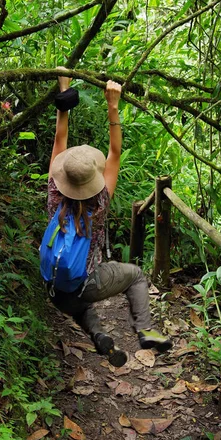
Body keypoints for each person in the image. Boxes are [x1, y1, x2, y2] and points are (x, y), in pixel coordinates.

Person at [46, 72, 172, 366]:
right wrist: (112, 105)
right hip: (85, 282)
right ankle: (145, 330)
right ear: (94, 178)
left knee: (77, 304)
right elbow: (115, 152)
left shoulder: (54, 197)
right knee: (136, 276)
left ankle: (100, 336)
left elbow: (59, 139)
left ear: (63, 176)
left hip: (53, 283)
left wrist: (64, 94)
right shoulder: (100, 202)